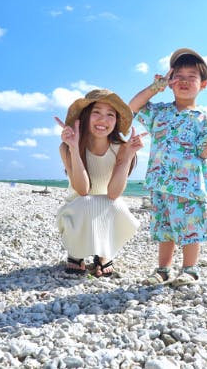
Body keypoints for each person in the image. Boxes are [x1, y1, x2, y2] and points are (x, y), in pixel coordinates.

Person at [129, 48, 207, 286]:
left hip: (190, 185)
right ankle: (163, 269)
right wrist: (154, 88)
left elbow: (204, 151)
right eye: (178, 76)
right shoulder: (160, 112)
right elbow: (133, 107)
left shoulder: (202, 118)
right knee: (164, 228)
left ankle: (190, 269)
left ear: (203, 84)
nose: (184, 80)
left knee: (191, 229)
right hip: (160, 182)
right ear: (170, 82)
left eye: (192, 76)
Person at [54, 89, 145, 277]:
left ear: (117, 121)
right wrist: (73, 148)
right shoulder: (67, 147)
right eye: (96, 112)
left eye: (110, 114)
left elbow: (113, 193)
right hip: (76, 210)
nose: (103, 120)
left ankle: (104, 253)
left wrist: (128, 156)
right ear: (85, 117)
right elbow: (82, 189)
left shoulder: (120, 148)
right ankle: (76, 252)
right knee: (86, 202)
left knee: (118, 205)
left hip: (106, 210)